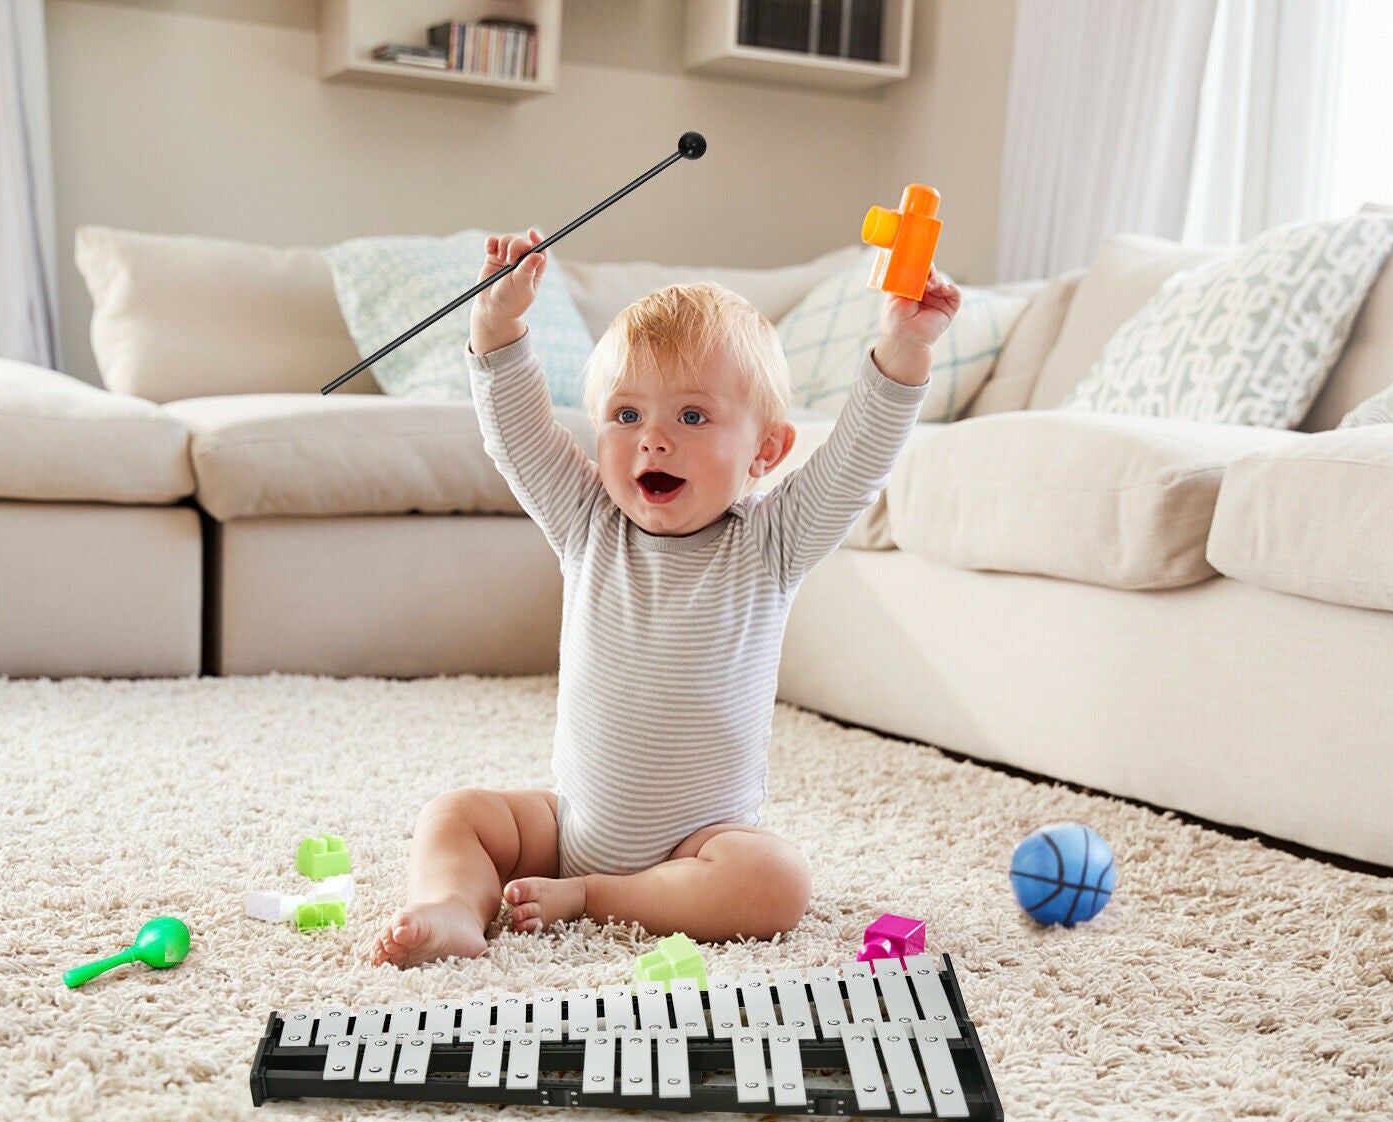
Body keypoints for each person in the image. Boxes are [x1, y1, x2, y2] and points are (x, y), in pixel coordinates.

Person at [373, 227, 960, 968]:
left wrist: (904, 350)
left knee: (777, 881)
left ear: (765, 452)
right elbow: (517, 435)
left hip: (699, 849)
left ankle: (596, 897)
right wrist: (497, 326)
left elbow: (857, 460)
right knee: (454, 815)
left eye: (691, 417)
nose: (652, 440)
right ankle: (451, 908)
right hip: (571, 829)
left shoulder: (771, 542)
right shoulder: (588, 521)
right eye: (626, 416)